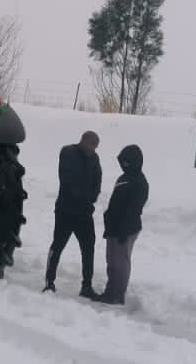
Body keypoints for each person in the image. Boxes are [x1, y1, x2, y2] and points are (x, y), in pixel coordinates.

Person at [44, 130, 102, 297]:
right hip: (66, 211)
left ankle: (87, 286)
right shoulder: (68, 152)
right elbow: (67, 180)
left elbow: (97, 180)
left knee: (88, 247)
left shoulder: (95, 159)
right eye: (91, 144)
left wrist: (92, 198)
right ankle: (49, 282)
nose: (93, 149)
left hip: (84, 213)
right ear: (83, 140)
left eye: (95, 146)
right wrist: (83, 198)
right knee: (58, 245)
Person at [100, 145, 149, 305]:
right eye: (121, 162)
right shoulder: (123, 178)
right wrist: (108, 218)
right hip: (114, 227)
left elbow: (134, 209)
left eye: (126, 162)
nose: (123, 165)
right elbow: (115, 202)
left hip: (126, 228)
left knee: (121, 263)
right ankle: (110, 290)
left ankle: (117, 295)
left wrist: (124, 229)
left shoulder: (139, 182)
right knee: (111, 261)